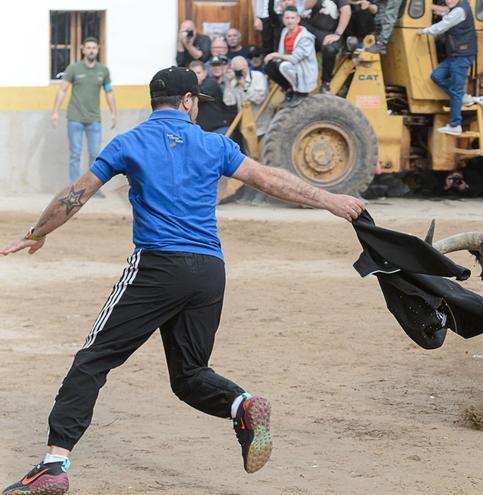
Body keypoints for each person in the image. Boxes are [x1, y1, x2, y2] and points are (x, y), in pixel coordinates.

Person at [0, 66, 366, 495]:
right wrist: (330, 199)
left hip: (158, 266)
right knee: (189, 373)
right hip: (209, 271)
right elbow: (269, 178)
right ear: (189, 101)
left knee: (92, 361)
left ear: (156, 102)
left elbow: (75, 195)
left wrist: (35, 233)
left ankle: (53, 464)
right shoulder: (213, 143)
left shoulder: (130, 142)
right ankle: (242, 405)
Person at [51, 37, 117, 184]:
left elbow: (109, 91)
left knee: (95, 154)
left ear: (98, 49)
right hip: (75, 118)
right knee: (75, 154)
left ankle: (90, 187)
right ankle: (73, 189)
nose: (91, 50)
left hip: (94, 119)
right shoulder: (74, 69)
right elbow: (62, 90)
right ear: (83, 49)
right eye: (88, 48)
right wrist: (55, 112)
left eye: (94, 47)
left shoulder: (103, 71)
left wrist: (114, 113)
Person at [419, 0, 477, 135]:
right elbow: (448, 18)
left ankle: (455, 125)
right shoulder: (457, 9)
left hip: (462, 55)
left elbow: (442, 26)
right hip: (455, 54)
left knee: (456, 90)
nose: (448, 0)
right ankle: (463, 97)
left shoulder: (460, 10)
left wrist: (424, 31)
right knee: (437, 76)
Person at [264, 7, 319, 100]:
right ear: (283, 20)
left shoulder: (306, 37)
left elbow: (294, 58)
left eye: (293, 18)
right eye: (287, 18)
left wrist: (275, 55)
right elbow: (283, 53)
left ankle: (299, 92)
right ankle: (289, 90)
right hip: (291, 67)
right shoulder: (285, 31)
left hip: (303, 70)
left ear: (298, 19)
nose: (290, 21)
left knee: (284, 65)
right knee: (269, 67)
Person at [302, 0, 351, 93]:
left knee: (330, 49)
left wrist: (337, 34)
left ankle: (326, 82)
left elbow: (346, 11)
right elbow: (305, 6)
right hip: (311, 29)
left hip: (329, 33)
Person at [223, 56, 272, 138]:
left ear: (247, 66)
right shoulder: (234, 81)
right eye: (236, 70)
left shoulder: (258, 76)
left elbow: (259, 99)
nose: (239, 73)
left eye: (241, 70)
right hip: (246, 127)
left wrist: (244, 86)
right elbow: (229, 102)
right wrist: (228, 82)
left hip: (263, 125)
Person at [197, 57, 237, 134]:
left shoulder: (233, 81)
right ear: (210, 68)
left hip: (231, 123)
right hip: (215, 125)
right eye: (214, 65)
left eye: (219, 65)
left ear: (225, 66)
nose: (216, 68)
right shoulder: (205, 83)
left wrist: (229, 83)